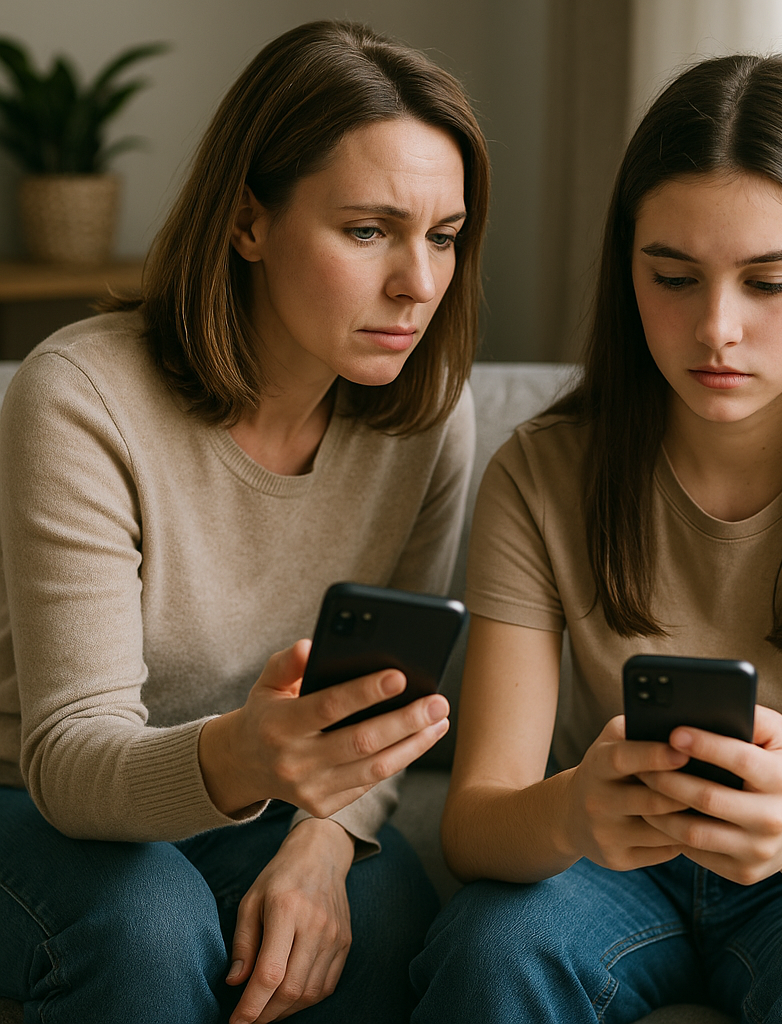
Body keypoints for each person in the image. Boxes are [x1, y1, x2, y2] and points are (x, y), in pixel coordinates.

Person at [410, 53, 782, 1024]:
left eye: (768, 280)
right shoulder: (541, 473)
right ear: (628, 266)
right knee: (492, 953)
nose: (716, 330)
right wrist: (575, 807)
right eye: (673, 277)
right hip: (610, 865)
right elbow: (478, 822)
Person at [0, 20, 488, 1024]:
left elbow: (383, 712)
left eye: (442, 236)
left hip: (256, 798)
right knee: (146, 922)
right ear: (247, 221)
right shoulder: (82, 397)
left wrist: (320, 840)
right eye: (368, 230)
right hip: (32, 795)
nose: (419, 282)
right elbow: (69, 757)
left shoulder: (425, 417)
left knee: (384, 916)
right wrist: (245, 756)